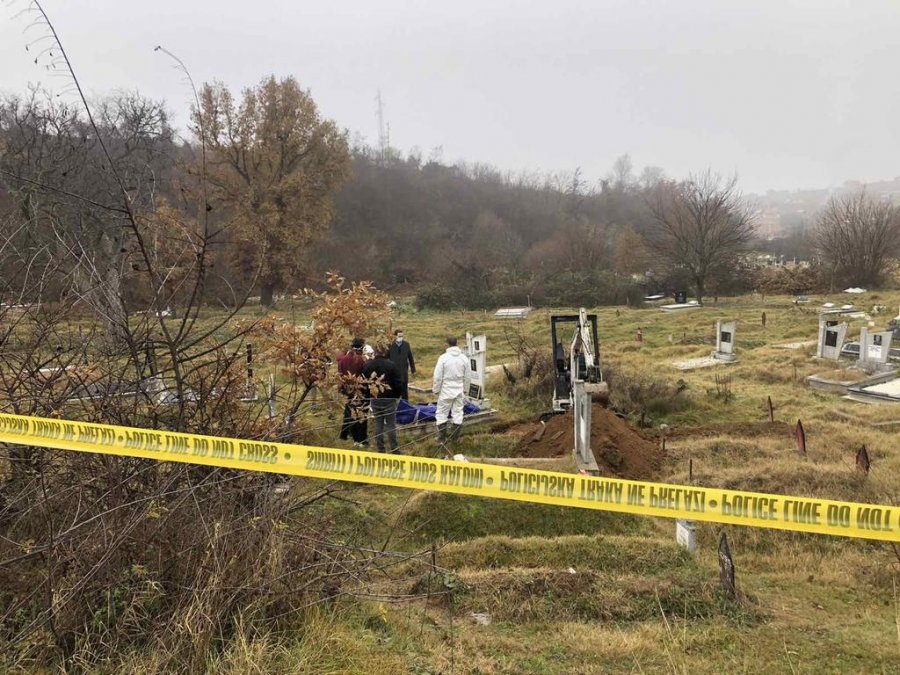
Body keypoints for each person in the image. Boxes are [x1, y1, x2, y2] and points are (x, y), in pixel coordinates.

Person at [363, 345, 402, 454]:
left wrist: (369, 394)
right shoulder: (391, 365)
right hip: (389, 398)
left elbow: (365, 382)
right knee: (390, 424)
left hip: (375, 398)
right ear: (385, 352)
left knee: (378, 423)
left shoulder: (368, 365)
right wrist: (397, 395)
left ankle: (380, 448)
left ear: (375, 352)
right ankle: (394, 449)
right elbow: (398, 382)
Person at [432, 336, 471, 444]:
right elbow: (468, 376)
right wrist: (465, 390)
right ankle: (455, 439)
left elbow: (438, 377)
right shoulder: (463, 358)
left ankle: (441, 439)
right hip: (459, 390)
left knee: (441, 413)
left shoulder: (443, 358)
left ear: (446, 344)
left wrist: (436, 389)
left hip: (445, 390)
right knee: (458, 413)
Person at [338, 338, 368, 447]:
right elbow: (364, 375)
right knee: (361, 414)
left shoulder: (343, 359)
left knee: (350, 413)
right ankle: (361, 439)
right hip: (359, 390)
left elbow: (340, 375)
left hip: (347, 390)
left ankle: (351, 437)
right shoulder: (361, 360)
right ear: (361, 347)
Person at [388, 329, 416, 400]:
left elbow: (410, 358)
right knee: (394, 390)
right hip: (393, 372)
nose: (400, 337)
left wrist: (413, 370)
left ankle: (405, 405)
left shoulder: (406, 345)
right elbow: (386, 358)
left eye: (402, 336)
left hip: (403, 371)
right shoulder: (390, 345)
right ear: (395, 336)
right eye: (399, 336)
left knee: (404, 391)